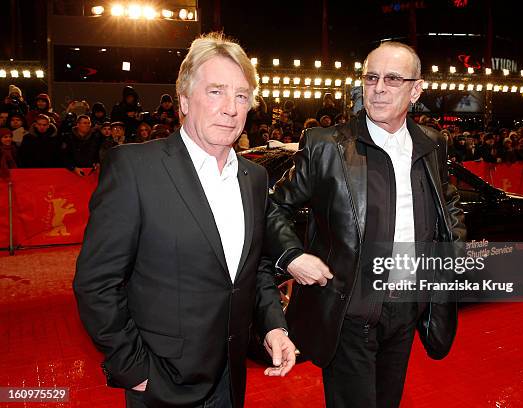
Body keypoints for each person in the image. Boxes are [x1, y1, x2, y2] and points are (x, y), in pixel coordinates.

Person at [73, 32, 296, 408]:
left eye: (241, 96)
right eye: (216, 92)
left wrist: (273, 324)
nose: (231, 108)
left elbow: (252, 270)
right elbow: (96, 284)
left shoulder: (253, 179)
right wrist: (135, 370)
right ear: (183, 101)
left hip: (231, 379)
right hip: (161, 384)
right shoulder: (135, 169)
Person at [265, 41, 465, 408]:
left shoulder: (433, 144)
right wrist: (291, 255)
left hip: (407, 308)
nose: (378, 88)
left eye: (392, 79)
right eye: (371, 78)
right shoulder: (328, 145)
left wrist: (451, 253)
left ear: (416, 89)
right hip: (350, 312)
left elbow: (447, 202)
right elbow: (274, 206)